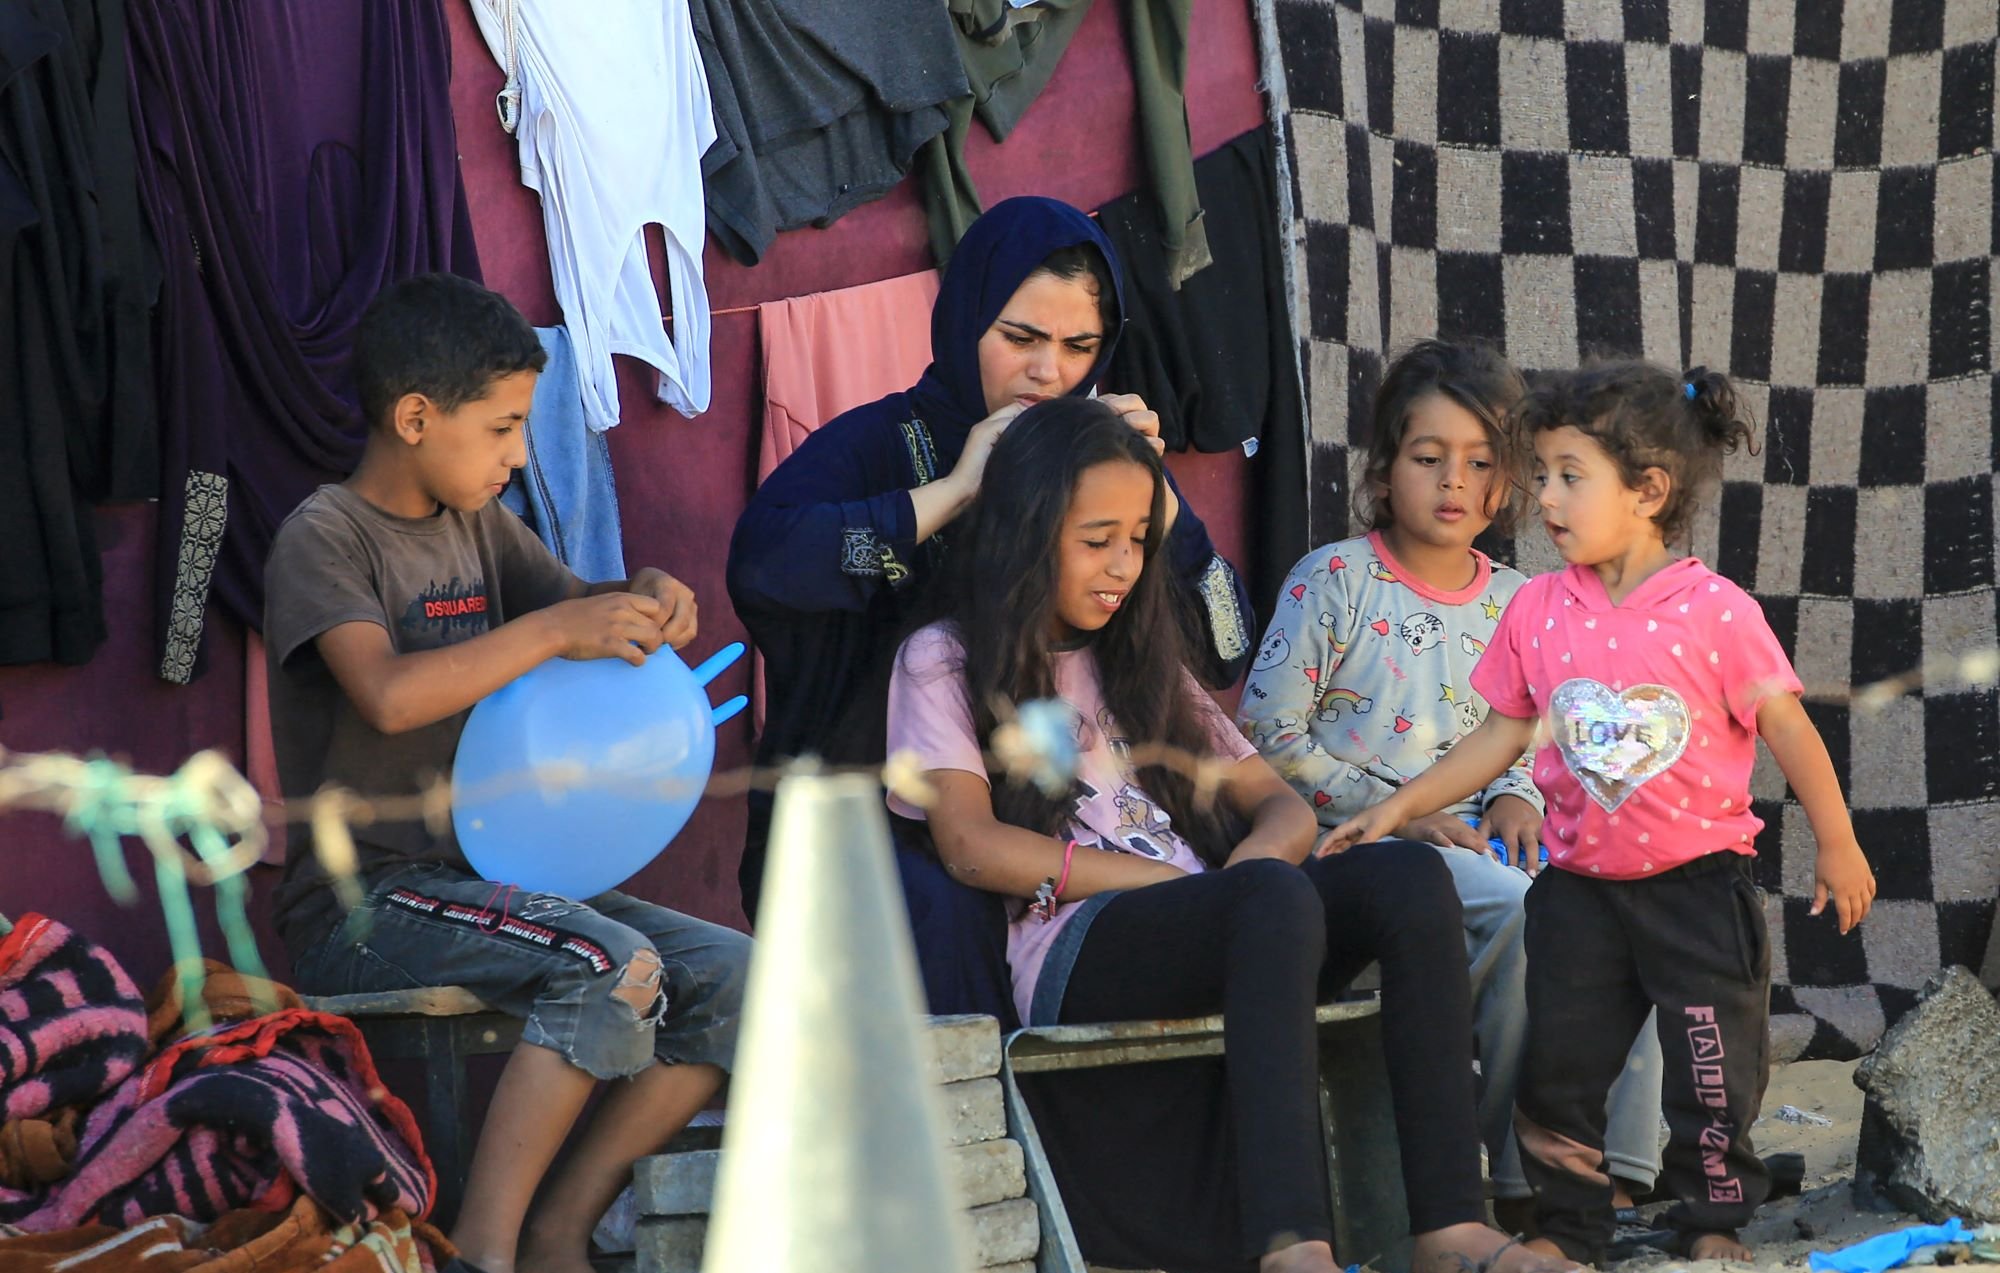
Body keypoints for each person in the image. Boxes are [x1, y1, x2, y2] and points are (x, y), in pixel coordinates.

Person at [887, 397, 1571, 1273]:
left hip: (1229, 915)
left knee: (1408, 878)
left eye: (1140, 540)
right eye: (1096, 540)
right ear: (1025, 533)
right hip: (1078, 945)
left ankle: (1449, 1226)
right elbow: (971, 845)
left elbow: (1281, 804)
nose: (1123, 566)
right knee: (1268, 899)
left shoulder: (1140, 661)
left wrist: (1252, 869)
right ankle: (1292, 1245)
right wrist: (1199, 889)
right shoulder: (943, 659)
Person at [1322, 362, 1877, 1266]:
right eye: (1541, 473)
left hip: (1699, 895)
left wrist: (1839, 842)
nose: (1544, 496)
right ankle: (1568, 1229)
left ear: (1647, 491)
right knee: (1559, 1071)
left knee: (1710, 1071)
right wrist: (1399, 807)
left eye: (1569, 476)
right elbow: (1500, 733)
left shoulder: (1716, 612)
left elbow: (1790, 726)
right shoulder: (1538, 608)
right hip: (1578, 892)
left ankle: (1710, 1221)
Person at [264, 274, 751, 1273]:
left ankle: (557, 1229)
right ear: (414, 418)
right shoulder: (324, 537)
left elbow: (577, 607)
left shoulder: (480, 525)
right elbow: (388, 694)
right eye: (502, 427)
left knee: (740, 980)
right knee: (607, 965)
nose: (519, 455)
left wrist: (641, 597)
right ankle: (481, 1254)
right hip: (365, 900)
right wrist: (557, 628)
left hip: (497, 882)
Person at [727, 196, 1254, 1023]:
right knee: (945, 902)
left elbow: (1225, 647)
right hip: (864, 820)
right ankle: (991, 1110)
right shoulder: (882, 445)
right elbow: (763, 566)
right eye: (1021, 338)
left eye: (1079, 346)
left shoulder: (1102, 471)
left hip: (1073, 822)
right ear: (968, 320)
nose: (1050, 372)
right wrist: (952, 492)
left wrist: (1162, 504)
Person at [1237, 341, 1664, 1230]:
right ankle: (1522, 1178)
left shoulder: (1524, 600)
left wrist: (1519, 795)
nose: (1453, 483)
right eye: (1429, 458)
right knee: (1516, 912)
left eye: (1480, 463)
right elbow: (1266, 738)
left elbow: (1536, 733)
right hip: (1364, 850)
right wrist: (1402, 817)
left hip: (1490, 840)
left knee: (1633, 901)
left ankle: (1620, 1175)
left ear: (1508, 484)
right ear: (1383, 469)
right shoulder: (1334, 581)